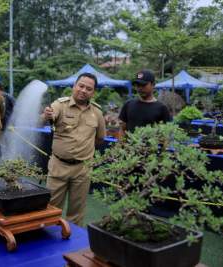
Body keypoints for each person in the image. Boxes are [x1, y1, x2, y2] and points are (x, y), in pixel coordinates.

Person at [41, 73, 106, 225]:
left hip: (82, 169)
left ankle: (72, 243)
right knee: (51, 207)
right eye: (81, 86)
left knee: (76, 212)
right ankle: (48, 238)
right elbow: (47, 116)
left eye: (88, 88)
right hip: (59, 166)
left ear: (93, 92)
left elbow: (100, 138)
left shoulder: (97, 112)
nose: (83, 90)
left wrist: (84, 152)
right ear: (74, 86)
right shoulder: (59, 105)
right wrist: (46, 115)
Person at [119, 70, 171, 136]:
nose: (140, 88)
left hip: (152, 146)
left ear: (153, 84)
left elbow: (166, 135)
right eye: (137, 85)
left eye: (143, 85)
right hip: (129, 146)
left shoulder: (161, 108)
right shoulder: (128, 104)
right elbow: (122, 129)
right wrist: (121, 145)